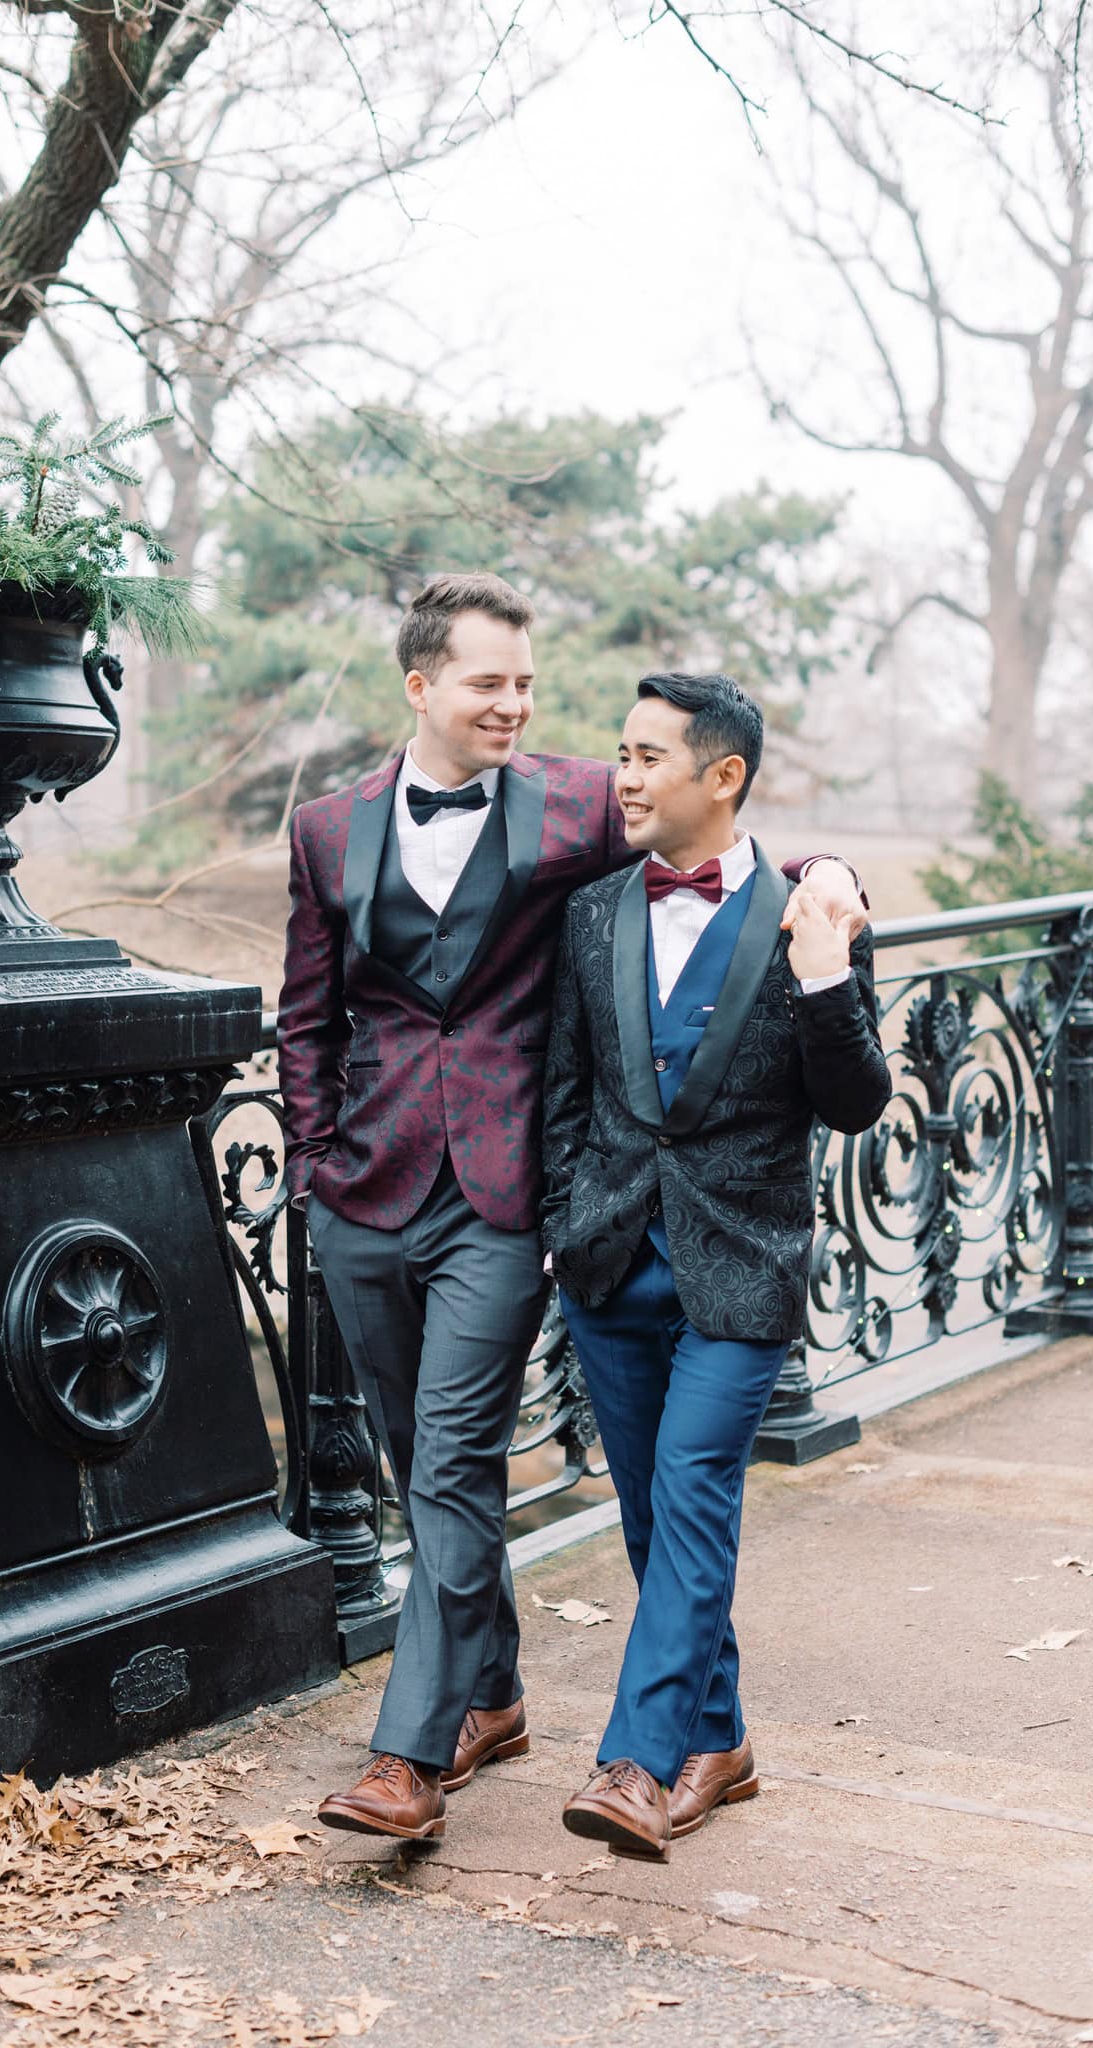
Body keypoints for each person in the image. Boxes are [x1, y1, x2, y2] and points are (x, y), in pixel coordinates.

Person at [276, 577, 868, 1843]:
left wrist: (829, 878)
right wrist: (316, 1159)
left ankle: (415, 1754)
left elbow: (722, 823)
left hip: (510, 1197)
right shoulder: (327, 826)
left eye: (527, 683)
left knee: (457, 1459)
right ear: (420, 684)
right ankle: (495, 1696)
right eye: (488, 682)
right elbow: (307, 1010)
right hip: (370, 1188)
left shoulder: (583, 800)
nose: (515, 705)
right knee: (420, 1462)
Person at [541, 670, 892, 1860]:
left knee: (692, 1489)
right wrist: (562, 1224)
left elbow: (854, 1102)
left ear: (722, 774)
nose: (624, 777)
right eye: (620, 754)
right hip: (607, 1264)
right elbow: (566, 1089)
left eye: (647, 757)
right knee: (652, 1516)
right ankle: (722, 1739)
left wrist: (826, 972)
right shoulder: (592, 912)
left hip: (742, 1267)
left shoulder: (811, 913)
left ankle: (637, 1763)